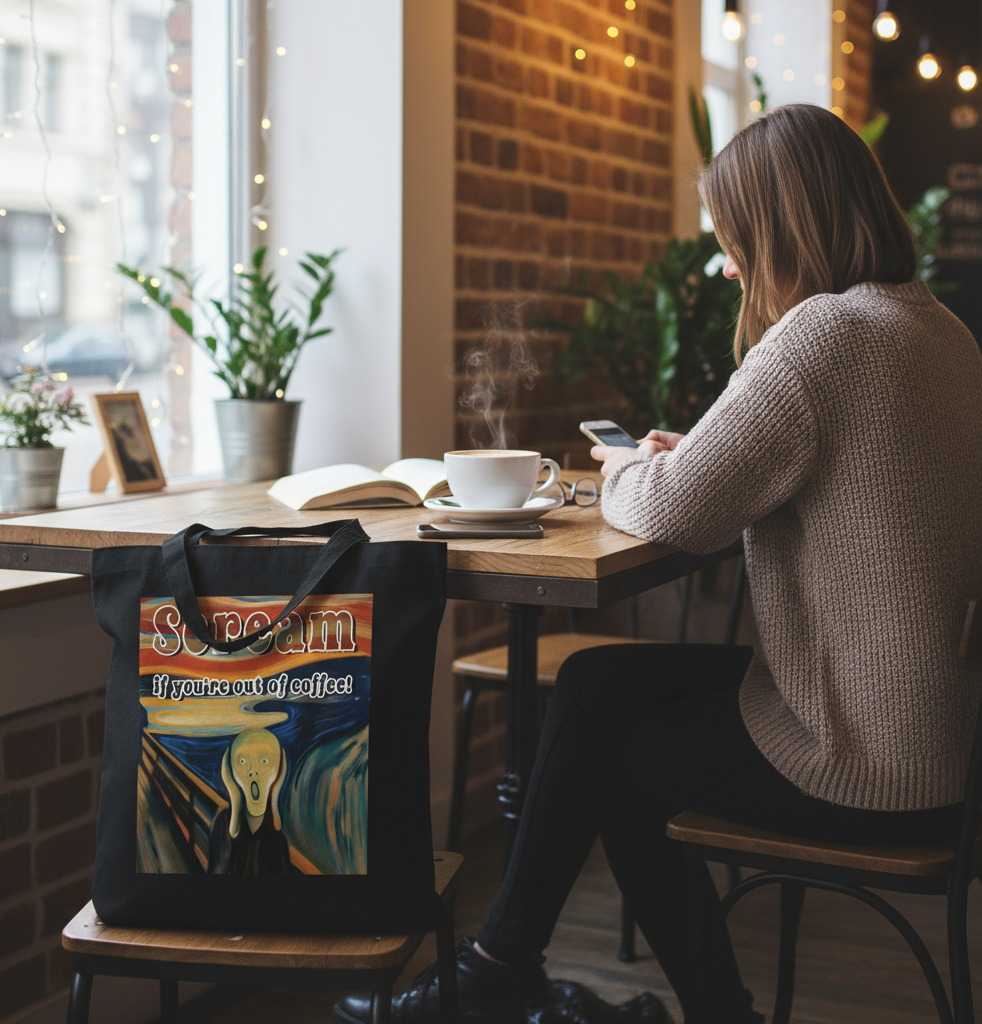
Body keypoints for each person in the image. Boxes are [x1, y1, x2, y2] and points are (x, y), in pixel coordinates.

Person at [335, 103, 982, 1024]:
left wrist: (635, 464)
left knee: (619, 751)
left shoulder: (825, 336)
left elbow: (674, 511)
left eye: (735, 240)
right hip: (948, 752)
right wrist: (696, 459)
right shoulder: (938, 332)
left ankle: (546, 982)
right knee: (599, 687)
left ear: (782, 227)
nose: (730, 265)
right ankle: (502, 971)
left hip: (866, 761)